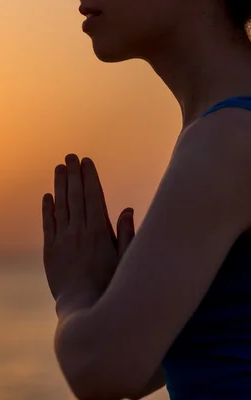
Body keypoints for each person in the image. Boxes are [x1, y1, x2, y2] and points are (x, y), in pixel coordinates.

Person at [41, 1, 251, 399]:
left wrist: (76, 290)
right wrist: (120, 301)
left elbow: (101, 368)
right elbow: (154, 367)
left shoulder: (227, 139)